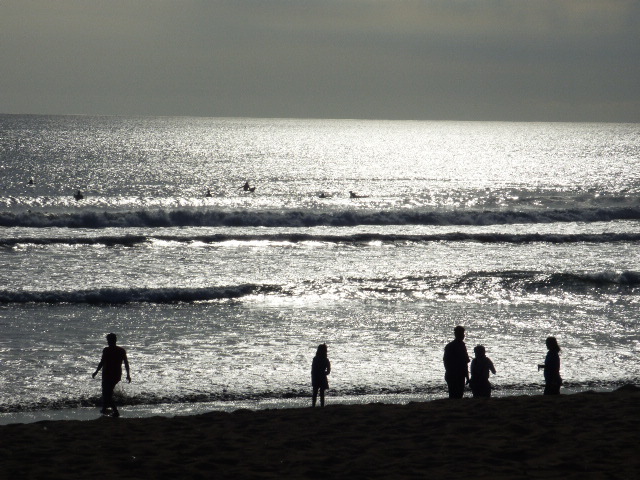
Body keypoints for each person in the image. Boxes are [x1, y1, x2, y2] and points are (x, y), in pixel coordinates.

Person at [92, 333, 131, 417]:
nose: (108, 342)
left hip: (108, 374)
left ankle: (115, 411)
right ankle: (104, 408)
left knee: (107, 393)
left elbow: (102, 362)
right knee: (106, 391)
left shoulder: (107, 350)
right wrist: (128, 374)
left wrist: (96, 371)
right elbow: (126, 363)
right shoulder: (121, 350)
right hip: (116, 374)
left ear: (110, 341)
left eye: (108, 340)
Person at [443, 326, 470, 398]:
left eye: (463, 334)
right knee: (455, 394)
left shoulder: (459, 345)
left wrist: (467, 376)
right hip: (454, 374)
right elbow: (446, 361)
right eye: (461, 334)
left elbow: (465, 362)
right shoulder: (452, 346)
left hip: (458, 373)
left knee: (457, 395)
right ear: (456, 334)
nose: (463, 335)